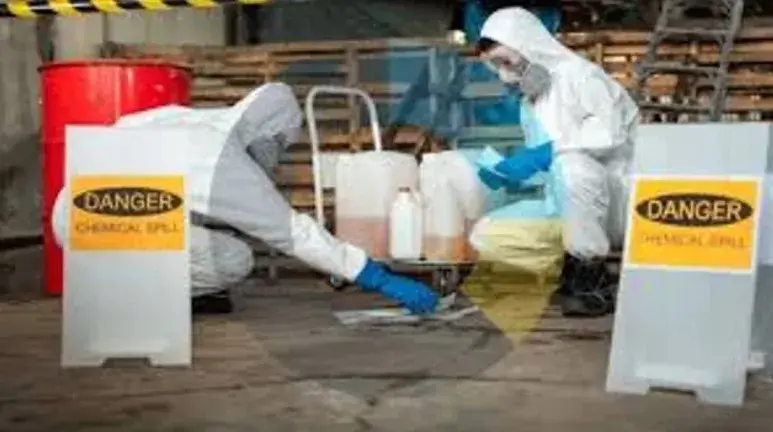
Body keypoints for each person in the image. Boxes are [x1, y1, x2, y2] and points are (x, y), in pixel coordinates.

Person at [50, 83, 439, 316]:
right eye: (279, 145)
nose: (276, 156)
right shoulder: (225, 160)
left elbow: (116, 136)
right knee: (235, 259)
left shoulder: (185, 118)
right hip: (109, 230)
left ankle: (130, 287)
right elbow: (294, 234)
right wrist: (378, 277)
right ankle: (132, 302)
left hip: (72, 211)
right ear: (269, 133)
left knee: (181, 225)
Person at [469, 7, 639, 318]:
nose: (505, 74)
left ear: (529, 44)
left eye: (507, 61)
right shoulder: (532, 103)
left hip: (616, 205)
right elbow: (550, 172)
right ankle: (566, 272)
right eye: (496, 66)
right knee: (487, 233)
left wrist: (544, 154)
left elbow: (610, 135)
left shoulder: (583, 77)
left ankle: (591, 276)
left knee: (573, 167)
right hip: (569, 208)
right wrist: (512, 173)